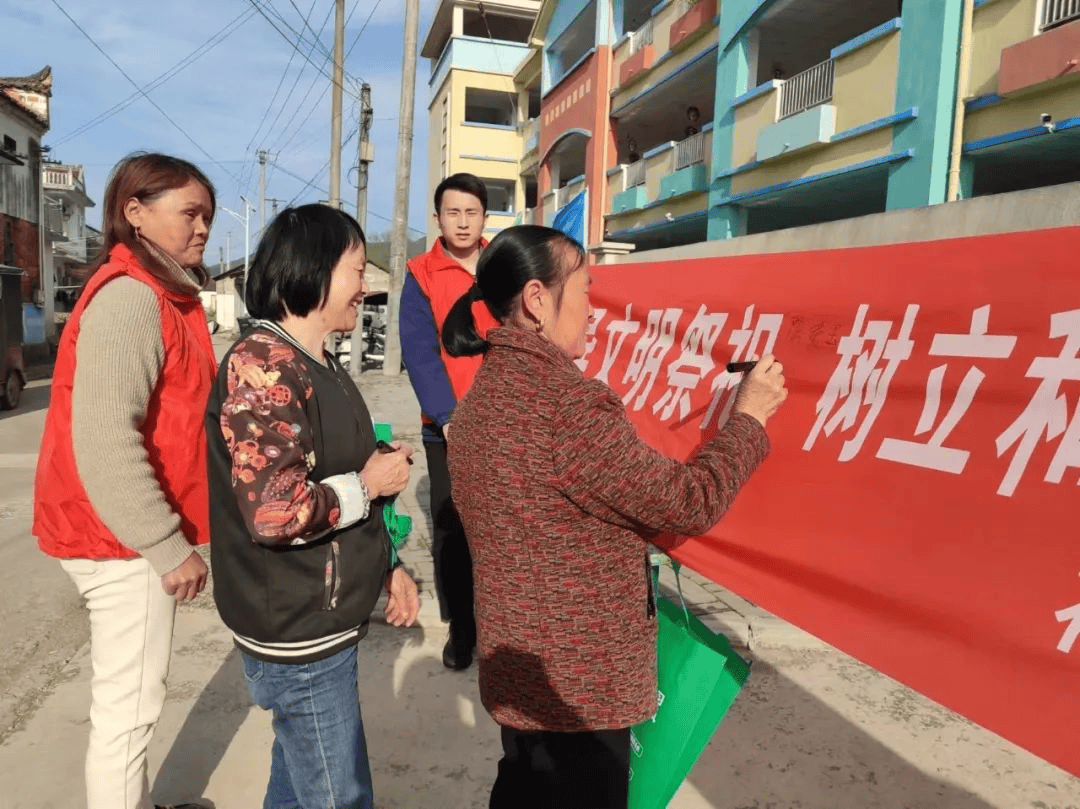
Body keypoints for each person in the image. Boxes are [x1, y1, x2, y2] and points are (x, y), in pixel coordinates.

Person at [442, 225, 787, 809]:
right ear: (535, 300)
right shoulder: (568, 406)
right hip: (578, 692)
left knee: (522, 786)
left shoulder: (480, 400)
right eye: (585, 290)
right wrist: (750, 417)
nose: (595, 310)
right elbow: (690, 500)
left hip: (520, 677)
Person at [206, 204, 420, 809]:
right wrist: (370, 483)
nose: (366, 285)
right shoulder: (263, 366)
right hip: (297, 625)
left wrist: (387, 564)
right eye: (357, 269)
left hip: (323, 615)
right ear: (315, 271)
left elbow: (331, 467)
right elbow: (277, 513)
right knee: (337, 796)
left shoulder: (316, 360)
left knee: (298, 789)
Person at [33, 152, 217, 809]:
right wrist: (167, 546)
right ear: (135, 212)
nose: (202, 228)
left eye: (208, 216)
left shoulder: (164, 291)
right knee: (127, 711)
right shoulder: (133, 297)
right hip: (120, 539)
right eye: (189, 212)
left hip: (116, 531)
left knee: (127, 703)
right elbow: (107, 440)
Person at [400, 172, 497, 670]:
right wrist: (449, 417)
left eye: (471, 212)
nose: (462, 222)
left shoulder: (503, 265)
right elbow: (419, 354)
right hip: (448, 431)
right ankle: (462, 628)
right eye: (452, 212)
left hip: (504, 425)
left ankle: (504, 630)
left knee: (505, 528)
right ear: (438, 218)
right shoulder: (420, 273)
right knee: (454, 530)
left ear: (485, 217)